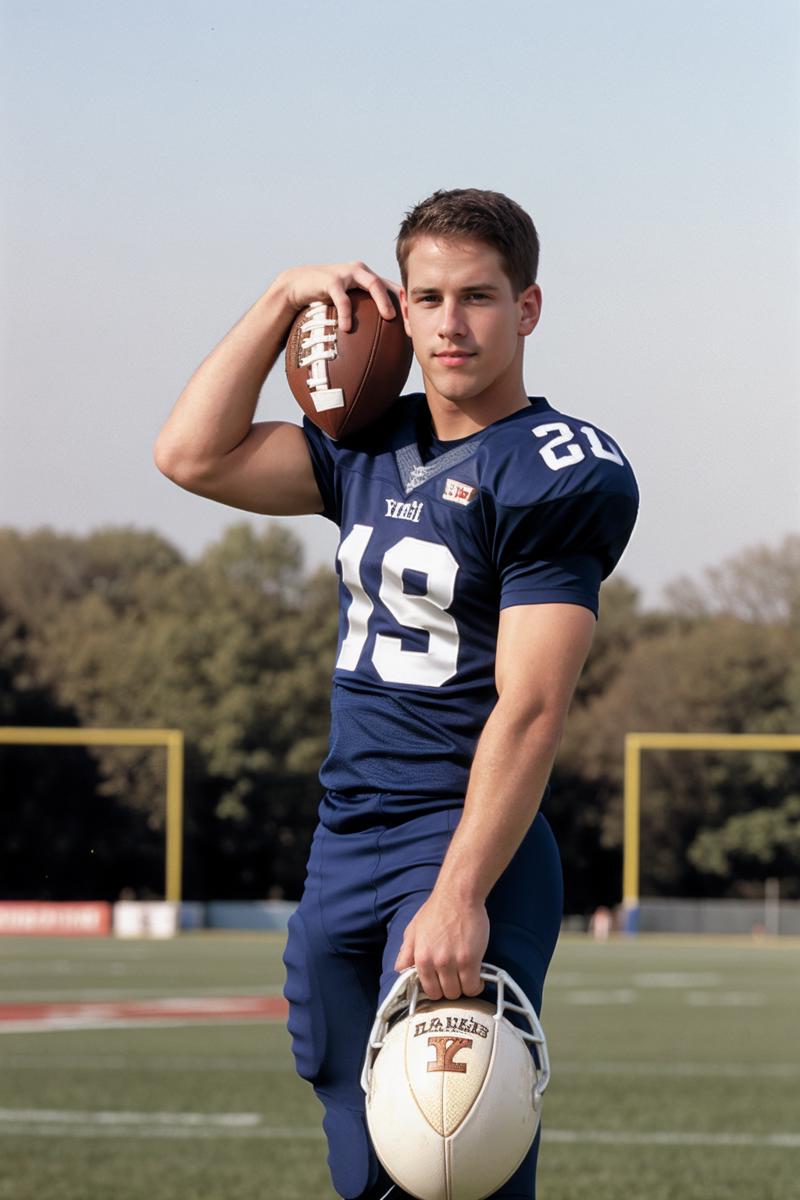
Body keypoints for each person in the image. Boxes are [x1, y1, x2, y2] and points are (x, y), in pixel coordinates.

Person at [154, 188, 639, 1200]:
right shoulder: (367, 443)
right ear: (399, 309)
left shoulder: (555, 469)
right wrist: (283, 296)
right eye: (426, 298)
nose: (450, 324)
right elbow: (189, 455)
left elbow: (532, 707)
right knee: (356, 1133)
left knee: (453, 1144)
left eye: (477, 297)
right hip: (346, 829)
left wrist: (459, 889)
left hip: (459, 834)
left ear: (527, 309)